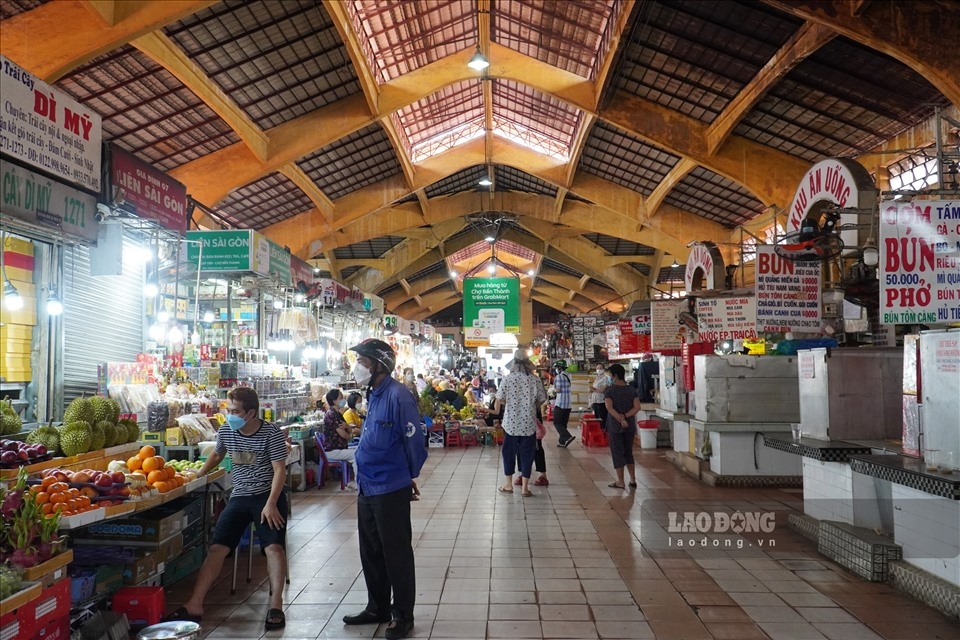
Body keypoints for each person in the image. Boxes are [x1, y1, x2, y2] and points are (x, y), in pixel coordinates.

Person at [168, 386, 288, 631]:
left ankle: (276, 603)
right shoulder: (227, 431)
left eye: (235, 411)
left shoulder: (271, 433)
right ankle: (195, 604)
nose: (229, 414)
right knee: (217, 548)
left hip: (267, 496)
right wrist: (199, 474)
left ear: (250, 413)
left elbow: (280, 470)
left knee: (273, 547)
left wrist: (271, 503)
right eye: (228, 409)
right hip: (240, 497)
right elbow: (217, 453)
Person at [342, 339, 427, 640]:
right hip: (366, 485)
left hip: (390, 487)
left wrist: (407, 475)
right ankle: (377, 606)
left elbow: (414, 441)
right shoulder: (373, 394)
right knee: (372, 551)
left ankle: (402, 614)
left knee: (396, 553)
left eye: (363, 361)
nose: (358, 367)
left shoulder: (398, 395)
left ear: (379, 364)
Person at [496, 349, 547, 497]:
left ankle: (508, 484)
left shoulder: (507, 378)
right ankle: (525, 488)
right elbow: (542, 399)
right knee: (527, 454)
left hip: (510, 424)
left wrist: (511, 403)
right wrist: (532, 406)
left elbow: (500, 398)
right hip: (528, 424)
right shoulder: (534, 379)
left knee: (509, 453)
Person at [604, 363, 641, 489]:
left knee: (617, 452)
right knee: (628, 452)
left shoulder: (609, 390)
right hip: (629, 425)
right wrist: (625, 417)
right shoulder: (631, 389)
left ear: (614, 375)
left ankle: (620, 481)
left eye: (610, 375)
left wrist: (620, 418)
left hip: (615, 425)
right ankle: (632, 479)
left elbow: (609, 408)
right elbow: (637, 407)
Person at [322, 388, 358, 486]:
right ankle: (358, 483)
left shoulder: (338, 414)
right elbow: (345, 435)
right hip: (332, 450)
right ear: (334, 401)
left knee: (361, 449)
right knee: (356, 455)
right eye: (341, 398)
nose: (343, 400)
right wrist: (348, 430)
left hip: (340, 448)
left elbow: (349, 430)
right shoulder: (331, 415)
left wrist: (347, 428)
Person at [514, 406, 549, 486]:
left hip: (533, 414)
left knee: (537, 446)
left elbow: (542, 398)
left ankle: (542, 475)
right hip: (518, 415)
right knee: (520, 446)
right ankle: (522, 473)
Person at [551, 359, 575, 448]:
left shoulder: (558, 377)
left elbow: (558, 390)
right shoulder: (569, 376)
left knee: (557, 422)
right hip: (568, 404)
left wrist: (552, 390)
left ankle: (567, 437)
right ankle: (562, 442)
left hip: (560, 404)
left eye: (557, 368)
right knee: (563, 424)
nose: (556, 370)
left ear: (560, 368)